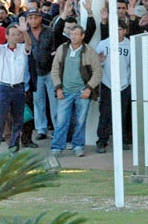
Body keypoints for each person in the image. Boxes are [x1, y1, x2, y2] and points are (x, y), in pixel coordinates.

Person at [50, 24, 102, 157]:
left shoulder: (89, 52)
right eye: (71, 34)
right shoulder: (62, 49)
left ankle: (78, 146)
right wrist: (58, 88)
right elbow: (55, 69)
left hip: (81, 93)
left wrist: (89, 88)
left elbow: (97, 72)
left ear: (82, 36)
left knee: (80, 121)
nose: (73, 36)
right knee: (61, 121)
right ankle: (57, 147)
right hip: (64, 92)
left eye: (76, 34)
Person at [0, 16, 32, 155]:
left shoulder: (21, 50)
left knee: (18, 121)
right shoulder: (1, 50)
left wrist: (25, 32)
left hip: (18, 88)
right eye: (12, 34)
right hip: (4, 88)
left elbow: (29, 45)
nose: (15, 37)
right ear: (6, 36)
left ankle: (14, 148)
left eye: (17, 34)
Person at [96, 20, 132, 153]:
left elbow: (131, 65)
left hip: (124, 85)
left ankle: (121, 140)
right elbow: (96, 62)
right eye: (115, 29)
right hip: (107, 84)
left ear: (125, 31)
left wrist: (129, 83)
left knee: (122, 114)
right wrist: (100, 62)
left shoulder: (129, 45)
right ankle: (102, 141)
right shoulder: (104, 44)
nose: (118, 32)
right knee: (105, 114)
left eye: (120, 29)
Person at [26, 7, 57, 140]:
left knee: (54, 102)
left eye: (36, 17)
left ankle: (57, 128)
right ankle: (41, 129)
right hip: (35, 73)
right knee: (38, 102)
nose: (33, 20)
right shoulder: (26, 33)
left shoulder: (49, 31)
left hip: (50, 71)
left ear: (40, 18)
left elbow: (55, 49)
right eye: (31, 18)